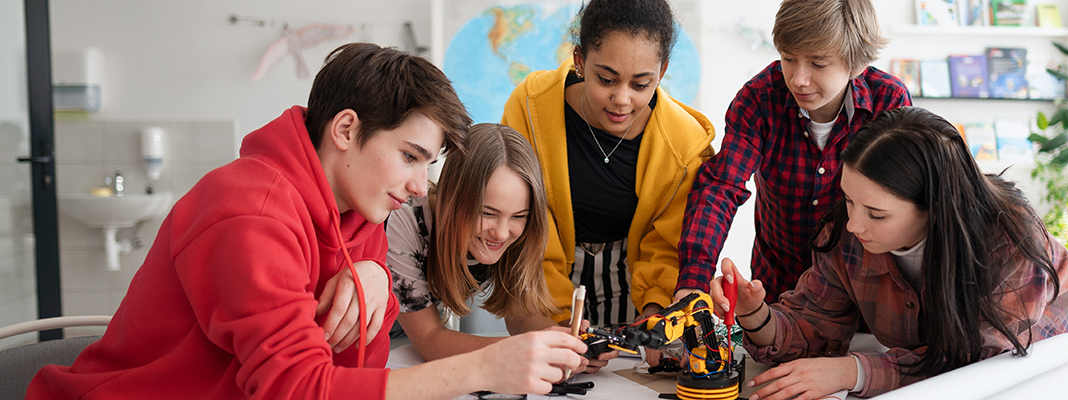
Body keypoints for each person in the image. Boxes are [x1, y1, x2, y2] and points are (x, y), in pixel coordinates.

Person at [27, 43, 585, 399]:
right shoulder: (251, 212)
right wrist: (484, 370)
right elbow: (296, 389)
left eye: (428, 164)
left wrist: (376, 276)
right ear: (346, 130)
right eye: (410, 156)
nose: (421, 186)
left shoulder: (361, 204)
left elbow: (355, 363)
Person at [710, 107, 1068, 399]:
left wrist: (851, 372)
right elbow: (814, 327)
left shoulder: (1010, 240)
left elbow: (976, 368)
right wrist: (755, 314)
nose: (853, 225)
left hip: (1044, 383)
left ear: (936, 208)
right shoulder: (848, 235)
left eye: (877, 214)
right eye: (848, 200)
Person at [676, 0, 912, 304]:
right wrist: (694, 279)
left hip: (866, 294)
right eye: (788, 58)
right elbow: (722, 187)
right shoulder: (759, 99)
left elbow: (906, 205)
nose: (798, 79)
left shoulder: (888, 101)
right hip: (779, 290)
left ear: (856, 64)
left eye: (818, 63)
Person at [501, 0, 715, 328]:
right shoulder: (531, 108)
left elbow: (667, 244)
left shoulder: (684, 145)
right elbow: (526, 222)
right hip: (540, 278)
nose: (622, 99)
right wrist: (555, 320)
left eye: (641, 84)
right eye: (606, 79)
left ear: (663, 71)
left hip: (635, 286)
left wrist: (655, 310)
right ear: (579, 61)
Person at [387, 123, 616, 373]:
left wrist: (562, 342)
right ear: (452, 197)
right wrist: (524, 350)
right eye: (487, 213)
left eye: (518, 216)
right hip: (372, 339)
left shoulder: (522, 234)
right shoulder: (404, 220)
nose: (501, 233)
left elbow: (521, 315)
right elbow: (430, 339)